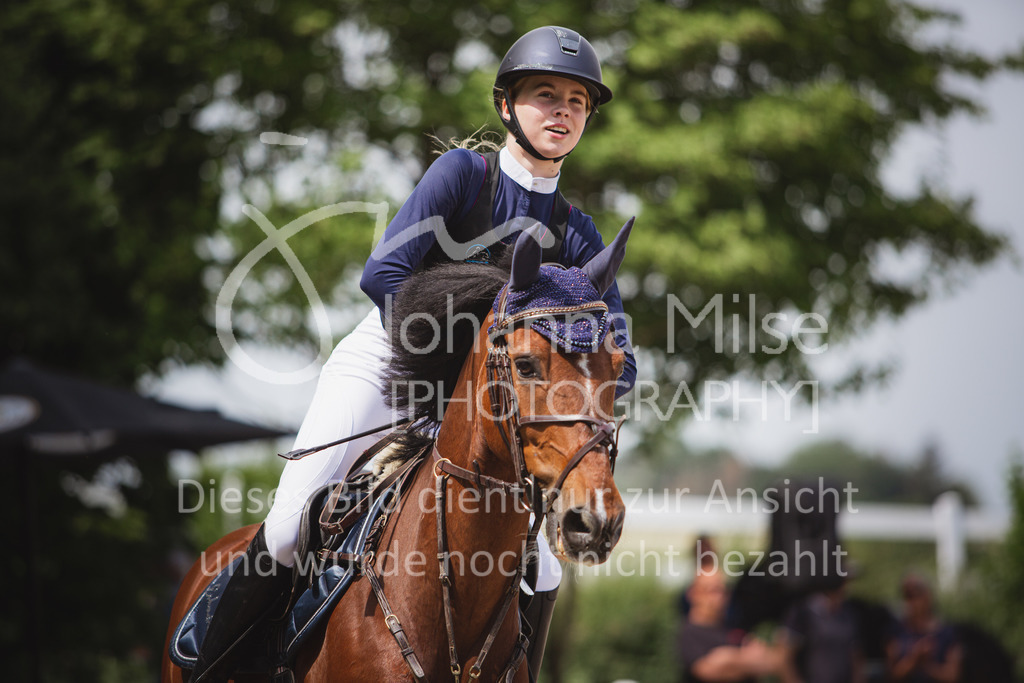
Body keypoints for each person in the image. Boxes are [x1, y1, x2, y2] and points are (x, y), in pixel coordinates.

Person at [189, 25, 636, 683]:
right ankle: (210, 666)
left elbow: (619, 354)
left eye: (577, 101)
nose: (563, 111)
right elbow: (383, 275)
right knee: (288, 525)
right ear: (506, 104)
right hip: (389, 359)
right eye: (546, 94)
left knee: (543, 566)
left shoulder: (577, 232)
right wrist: (451, 367)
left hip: (487, 396)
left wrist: (581, 392)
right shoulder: (464, 175)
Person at [676, 565, 788, 683]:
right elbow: (709, 671)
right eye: (712, 590)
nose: (719, 597)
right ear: (694, 593)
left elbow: (771, 663)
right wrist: (746, 661)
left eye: (723, 591)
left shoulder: (734, 626)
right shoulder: (690, 632)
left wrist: (728, 659)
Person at [781, 574, 865, 683]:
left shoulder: (849, 613)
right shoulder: (804, 611)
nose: (847, 588)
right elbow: (785, 655)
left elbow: (855, 655)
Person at [885, 573, 962, 683]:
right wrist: (914, 658)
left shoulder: (947, 633)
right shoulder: (896, 631)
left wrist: (926, 664)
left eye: (915, 595)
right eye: (906, 596)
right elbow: (891, 675)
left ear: (928, 596)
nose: (910, 602)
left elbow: (952, 676)